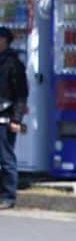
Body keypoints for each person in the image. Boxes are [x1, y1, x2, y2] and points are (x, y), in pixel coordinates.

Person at [0, 26, 29, 210]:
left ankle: (9, 196)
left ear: (3, 40)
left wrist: (16, 120)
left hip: (6, 115)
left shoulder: (13, 63)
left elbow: (21, 94)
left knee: (6, 157)